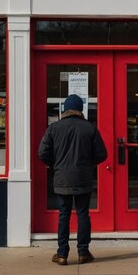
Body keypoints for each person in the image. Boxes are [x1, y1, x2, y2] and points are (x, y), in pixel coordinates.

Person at [38, 94, 107, 266]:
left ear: (65, 109)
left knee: (64, 215)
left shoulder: (54, 128)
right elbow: (102, 154)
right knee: (83, 214)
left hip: (62, 179)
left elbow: (42, 153)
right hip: (83, 178)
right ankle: (83, 252)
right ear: (80, 109)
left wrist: (55, 165)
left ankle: (62, 254)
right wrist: (88, 165)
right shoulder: (90, 128)